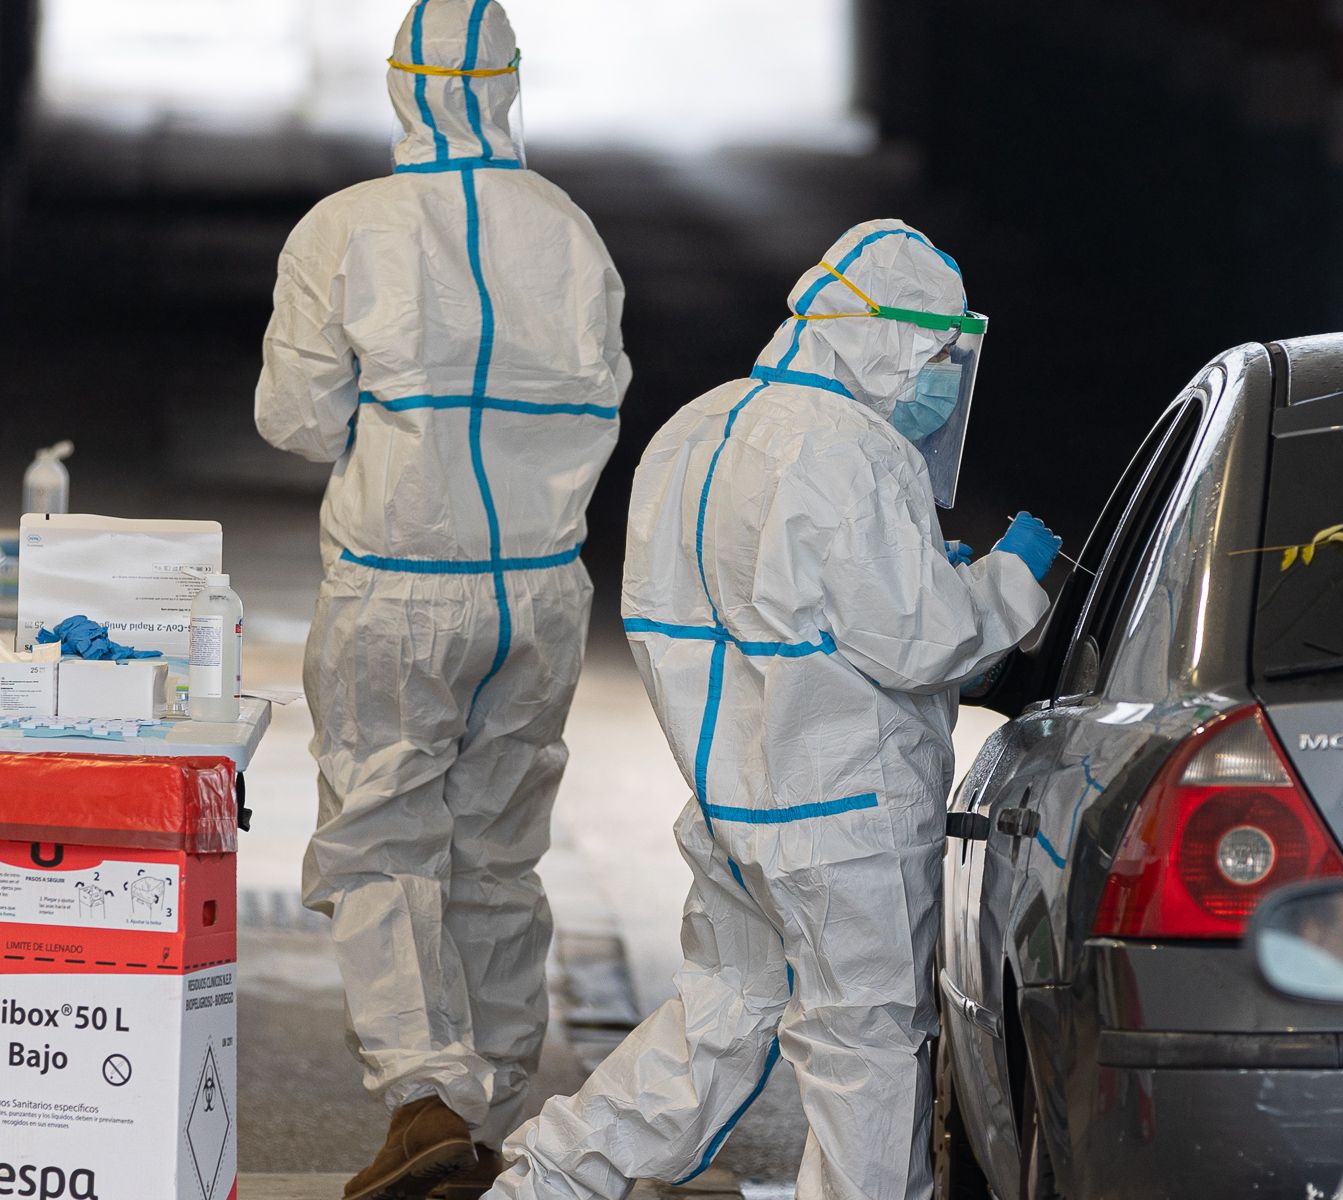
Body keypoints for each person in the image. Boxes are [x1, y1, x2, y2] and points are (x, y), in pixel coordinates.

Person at [491, 220, 1059, 1200]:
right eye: (936, 353)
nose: (939, 380)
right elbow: (926, 640)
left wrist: (920, 577)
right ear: (882, 334)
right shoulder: (854, 451)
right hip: (844, 823)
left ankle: (542, 1183)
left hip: (732, 811)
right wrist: (1011, 575)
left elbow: (780, 603)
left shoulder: (694, 430)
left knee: (716, 1022)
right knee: (865, 1050)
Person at [254, 2, 630, 1196]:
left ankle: (426, 1101)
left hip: (399, 587)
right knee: (498, 855)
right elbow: (604, 392)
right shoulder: (569, 232)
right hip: (539, 590)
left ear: (399, 85)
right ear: (511, 83)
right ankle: (487, 1113)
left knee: (381, 841)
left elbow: (295, 418)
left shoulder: (347, 228)